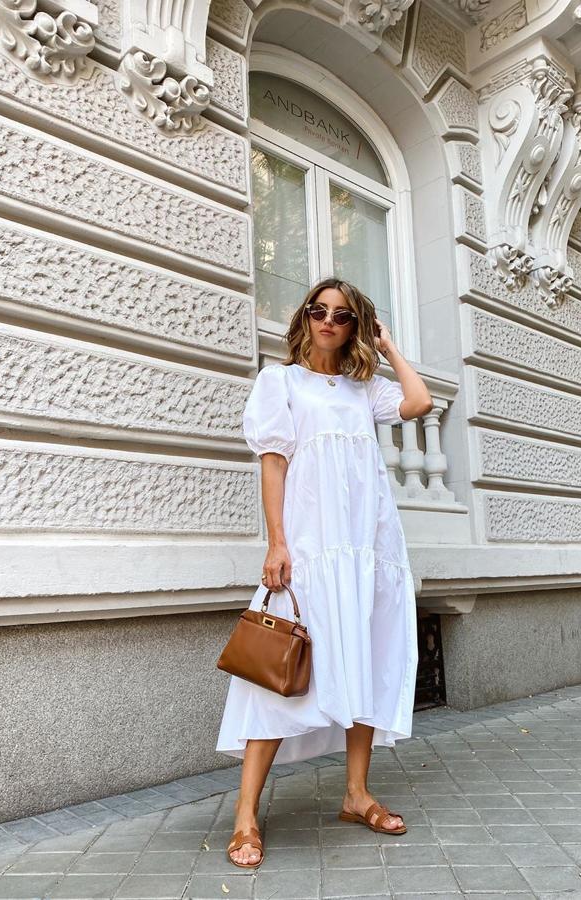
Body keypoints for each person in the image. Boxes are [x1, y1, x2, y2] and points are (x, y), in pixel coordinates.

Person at [216, 277, 433, 867]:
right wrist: (277, 542)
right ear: (305, 318)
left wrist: (388, 347)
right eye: (319, 310)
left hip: (367, 544)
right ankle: (244, 816)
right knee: (277, 671)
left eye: (342, 314)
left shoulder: (366, 389)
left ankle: (356, 793)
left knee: (363, 656)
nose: (329, 320)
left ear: (355, 324)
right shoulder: (279, 382)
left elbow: (419, 404)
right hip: (310, 547)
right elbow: (273, 466)